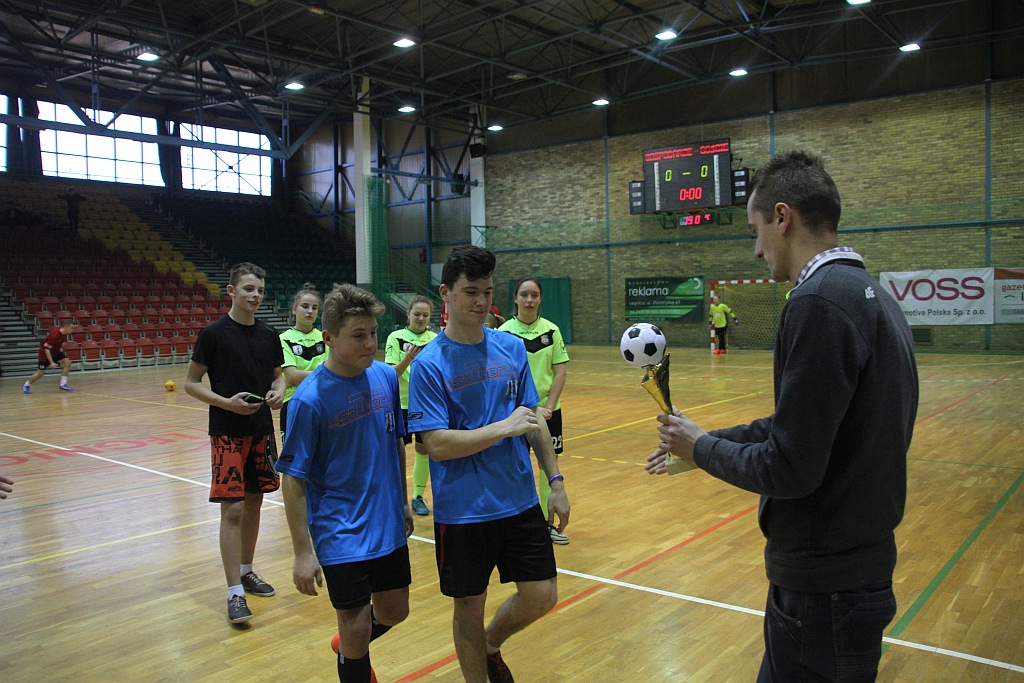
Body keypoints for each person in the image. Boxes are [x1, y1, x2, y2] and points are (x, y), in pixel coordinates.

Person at [646, 150, 918, 682]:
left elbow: (790, 466)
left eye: (755, 230)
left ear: (782, 217)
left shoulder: (816, 301)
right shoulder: (876, 298)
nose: (755, 250)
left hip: (823, 589)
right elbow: (797, 427)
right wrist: (697, 441)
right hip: (852, 572)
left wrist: (702, 449)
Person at [408, 245, 570, 683]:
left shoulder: (511, 349)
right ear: (446, 294)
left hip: (518, 498)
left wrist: (555, 479)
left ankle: (490, 644)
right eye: (470, 292)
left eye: (488, 292)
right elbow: (436, 444)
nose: (481, 302)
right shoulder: (429, 365)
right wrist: (502, 428)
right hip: (464, 510)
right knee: (468, 606)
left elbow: (532, 421)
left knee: (542, 595)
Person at [278, 283, 414, 683]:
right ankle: (353, 656)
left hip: (387, 522)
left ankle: (348, 646)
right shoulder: (309, 400)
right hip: (341, 531)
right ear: (329, 338)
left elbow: (395, 443)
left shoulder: (386, 380)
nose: (371, 343)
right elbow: (294, 480)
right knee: (355, 629)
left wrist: (403, 501)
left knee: (395, 611)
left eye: (373, 333)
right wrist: (303, 552)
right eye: (359, 335)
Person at [184, 262, 286, 625]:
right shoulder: (213, 334)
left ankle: (247, 570)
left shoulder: (269, 334)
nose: (255, 295)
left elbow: (280, 376)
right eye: (247, 289)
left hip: (261, 431)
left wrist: (278, 391)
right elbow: (191, 383)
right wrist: (226, 402)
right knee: (233, 511)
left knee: (255, 504)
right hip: (226, 432)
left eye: (259, 289)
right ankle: (234, 592)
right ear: (231, 291)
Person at [498, 276, 571, 544]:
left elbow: (560, 371)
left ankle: (546, 523)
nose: (529, 300)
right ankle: (509, 521)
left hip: (549, 412)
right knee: (511, 465)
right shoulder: (504, 332)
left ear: (540, 299)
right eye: (524, 295)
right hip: (514, 412)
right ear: (515, 298)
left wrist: (549, 407)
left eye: (534, 295)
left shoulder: (551, 331)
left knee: (547, 466)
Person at [384, 294, 437, 516]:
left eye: (425, 315)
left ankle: (417, 497)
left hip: (425, 405)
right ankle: (394, 498)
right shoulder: (396, 338)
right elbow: (390, 374)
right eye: (417, 314)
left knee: (424, 450)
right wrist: (408, 358)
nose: (421, 318)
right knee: (395, 452)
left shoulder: (435, 339)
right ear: (408, 314)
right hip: (400, 404)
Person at [279, 283, 327, 440]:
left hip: (322, 400)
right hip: (294, 402)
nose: (310, 311)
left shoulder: (325, 338)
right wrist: (324, 373)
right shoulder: (284, 339)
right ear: (294, 309)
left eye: (314, 308)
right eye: (305, 306)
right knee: (293, 457)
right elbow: (292, 375)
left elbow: (334, 372)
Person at [24, 320, 77, 393]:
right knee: (40, 373)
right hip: (45, 354)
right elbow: (46, 349)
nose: (73, 330)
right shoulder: (54, 335)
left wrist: (61, 344)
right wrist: (51, 362)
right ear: (66, 327)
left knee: (67, 363)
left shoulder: (64, 333)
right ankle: (26, 385)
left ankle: (63, 384)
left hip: (55, 352)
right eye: (72, 328)